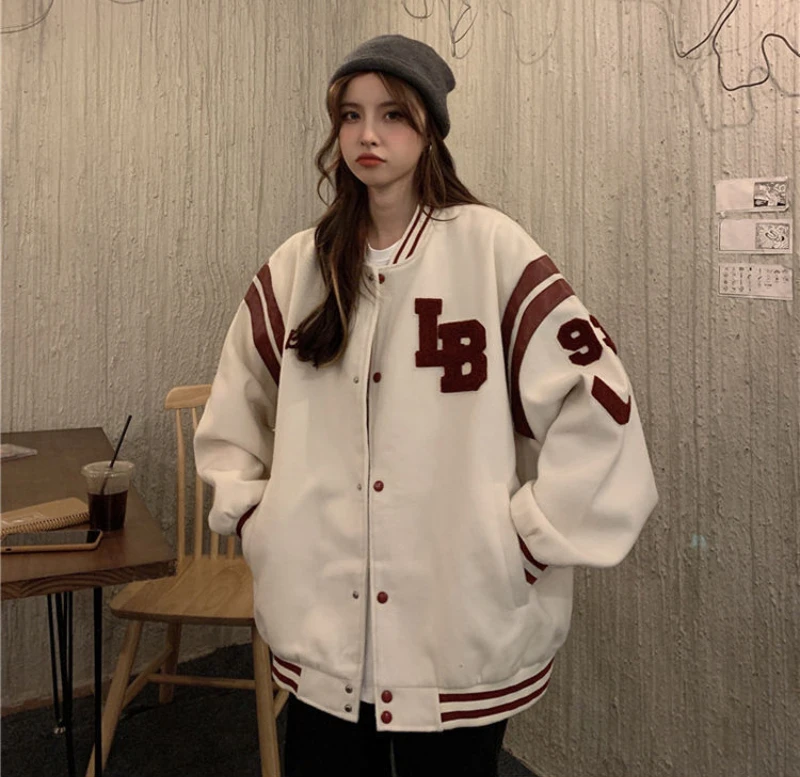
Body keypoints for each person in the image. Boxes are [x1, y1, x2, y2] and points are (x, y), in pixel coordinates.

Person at [194, 33, 658, 777]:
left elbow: (599, 399)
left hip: (459, 621)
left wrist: (527, 542)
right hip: (321, 622)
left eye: (392, 115)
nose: (367, 135)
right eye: (350, 115)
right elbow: (233, 411)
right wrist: (260, 522)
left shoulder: (492, 250)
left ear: (430, 129)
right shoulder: (299, 266)